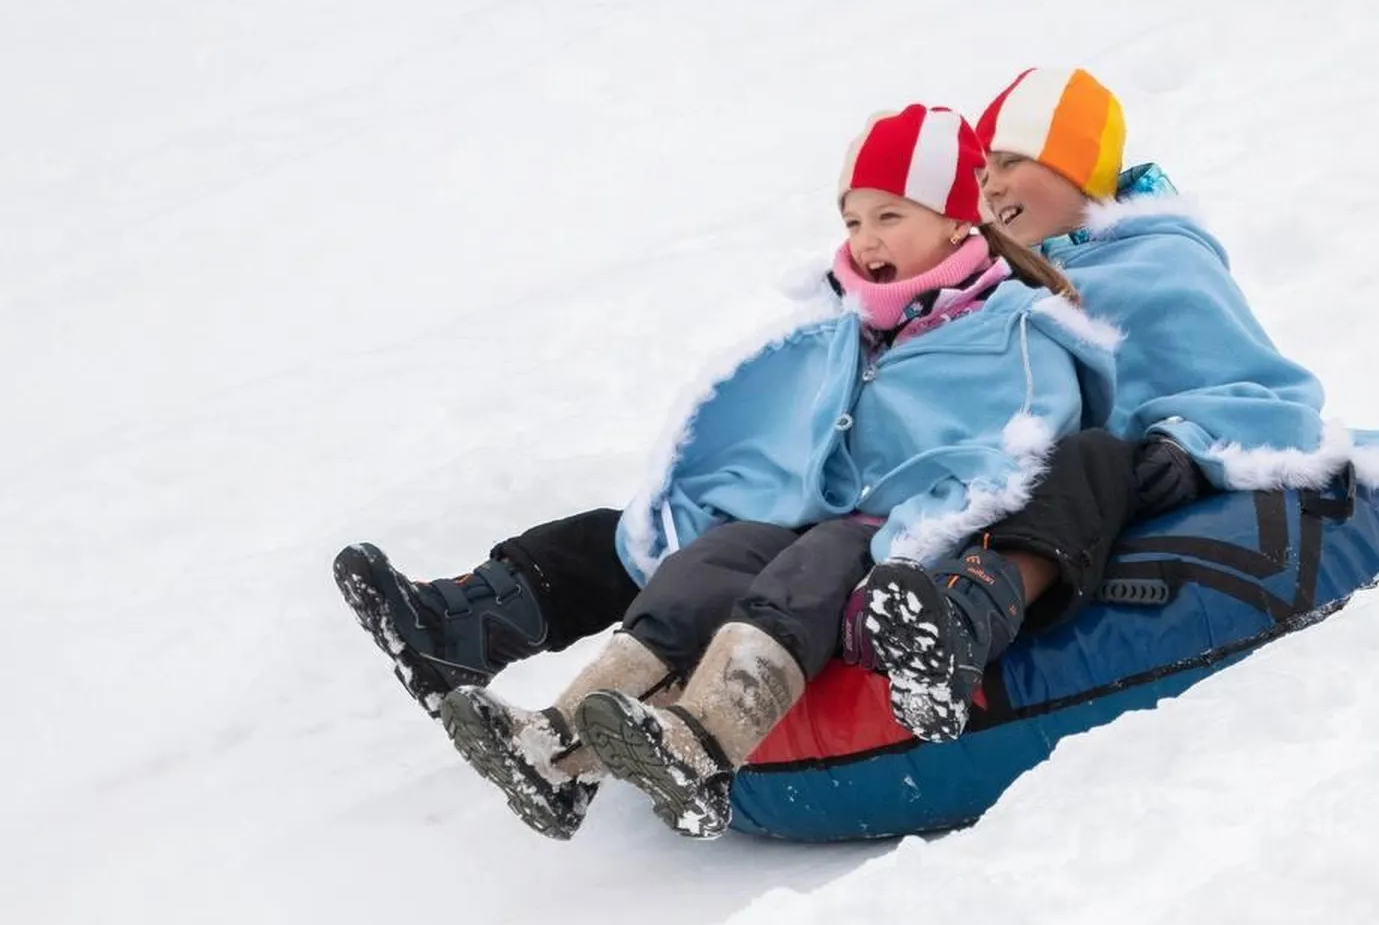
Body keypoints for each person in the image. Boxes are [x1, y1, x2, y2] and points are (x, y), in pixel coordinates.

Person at [335, 103, 1119, 840]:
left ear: (955, 221)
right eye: (852, 220)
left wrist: (924, 527)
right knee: (708, 560)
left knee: (805, 567)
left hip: (903, 539)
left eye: (890, 216)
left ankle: (705, 743)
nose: (867, 240)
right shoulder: (853, 331)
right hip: (820, 516)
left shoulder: (1014, 328)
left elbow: (1021, 452)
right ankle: (558, 751)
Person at [847, 68, 1379, 743]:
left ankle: (973, 608)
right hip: (1032, 496)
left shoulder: (1161, 259)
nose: (993, 185)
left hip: (1130, 484)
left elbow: (1258, 388)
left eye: (1014, 161)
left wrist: (1187, 445)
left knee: (1088, 457)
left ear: (1080, 173)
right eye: (984, 173)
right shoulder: (993, 293)